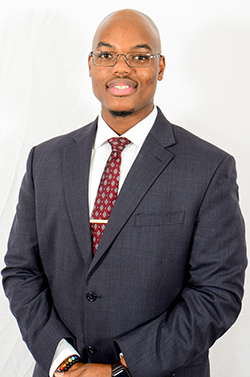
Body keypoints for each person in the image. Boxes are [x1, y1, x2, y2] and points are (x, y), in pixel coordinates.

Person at [1, 8, 247, 377]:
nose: (121, 68)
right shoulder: (45, 160)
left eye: (139, 56)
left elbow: (217, 292)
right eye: (107, 55)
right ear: (90, 65)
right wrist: (63, 361)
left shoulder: (208, 167)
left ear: (160, 67)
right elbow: (21, 271)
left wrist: (122, 368)